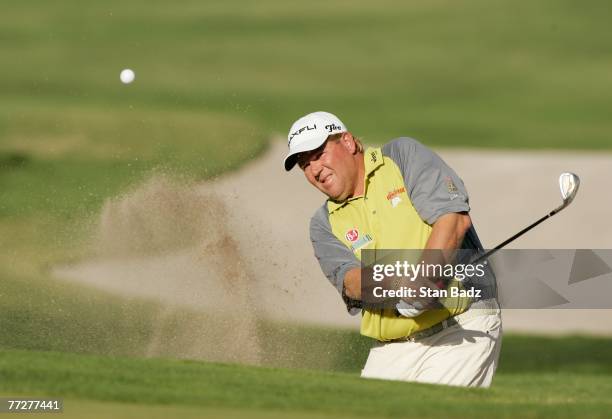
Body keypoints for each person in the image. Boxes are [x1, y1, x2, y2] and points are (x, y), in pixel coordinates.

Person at [284, 111, 502, 387]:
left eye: (318, 154)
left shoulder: (401, 157)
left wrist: (424, 280)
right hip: (391, 347)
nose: (314, 169)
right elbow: (350, 282)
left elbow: (454, 220)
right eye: (305, 164)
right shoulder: (323, 223)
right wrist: (397, 285)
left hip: (460, 328)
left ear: (348, 142)